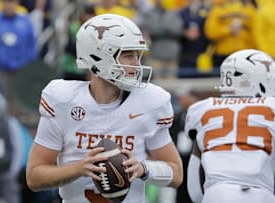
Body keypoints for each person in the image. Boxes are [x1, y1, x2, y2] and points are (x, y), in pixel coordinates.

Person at [26, 14, 183, 203]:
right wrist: (79, 169)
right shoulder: (63, 100)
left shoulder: (150, 101)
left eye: (136, 55)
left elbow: (176, 173)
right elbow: (34, 176)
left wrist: (144, 169)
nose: (136, 64)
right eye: (128, 55)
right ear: (98, 56)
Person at [184, 49, 275, 203]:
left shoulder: (202, 108)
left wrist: (200, 199)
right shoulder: (271, 106)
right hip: (259, 193)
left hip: (216, 193)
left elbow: (195, 164)